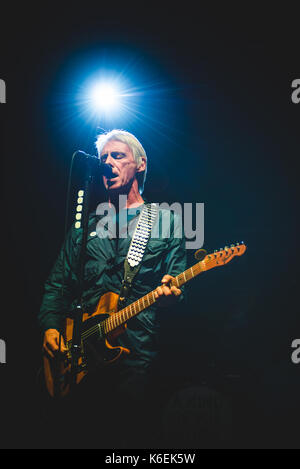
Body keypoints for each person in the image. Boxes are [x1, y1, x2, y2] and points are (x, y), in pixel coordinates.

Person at [38, 129, 187, 448]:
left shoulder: (165, 221)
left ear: (141, 164)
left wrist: (172, 295)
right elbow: (57, 286)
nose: (108, 162)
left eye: (117, 155)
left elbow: (176, 283)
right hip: (77, 360)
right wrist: (51, 329)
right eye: (103, 157)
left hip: (134, 359)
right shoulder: (84, 229)